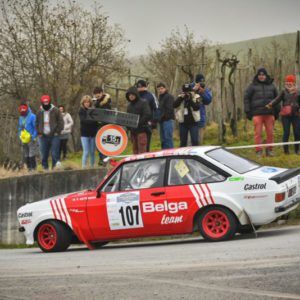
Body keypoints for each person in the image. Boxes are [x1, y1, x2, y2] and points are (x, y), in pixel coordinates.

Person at [244, 67, 279, 157]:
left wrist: (277, 112)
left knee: (270, 133)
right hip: (257, 113)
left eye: (263, 75)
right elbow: (246, 98)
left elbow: (277, 99)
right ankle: (258, 151)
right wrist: (248, 111)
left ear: (266, 75)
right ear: (257, 75)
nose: (261, 76)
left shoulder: (272, 86)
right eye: (260, 75)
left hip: (269, 113)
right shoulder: (252, 86)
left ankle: (269, 150)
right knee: (258, 133)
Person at [266, 75, 300, 154]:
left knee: (297, 133)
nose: (289, 83)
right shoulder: (283, 91)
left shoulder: (298, 91)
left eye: (290, 82)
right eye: (287, 81)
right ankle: (286, 151)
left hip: (296, 115)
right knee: (286, 132)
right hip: (285, 116)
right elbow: (277, 99)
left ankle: (297, 150)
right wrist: (270, 104)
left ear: (293, 82)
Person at [36, 95, 64, 170]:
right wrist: (39, 132)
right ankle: (45, 170)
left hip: (54, 135)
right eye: (44, 102)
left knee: (55, 153)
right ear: (42, 102)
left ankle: (54, 170)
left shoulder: (56, 110)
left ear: (49, 102)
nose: (46, 104)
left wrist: (57, 131)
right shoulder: (39, 112)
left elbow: (61, 122)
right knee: (44, 154)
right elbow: (36, 123)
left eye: (47, 102)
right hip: (43, 136)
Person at [126, 86, 151, 154]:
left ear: (136, 94)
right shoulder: (129, 106)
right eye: (129, 95)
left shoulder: (143, 103)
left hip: (142, 131)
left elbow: (147, 115)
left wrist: (138, 123)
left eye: (132, 94)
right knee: (135, 152)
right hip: (133, 133)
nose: (131, 96)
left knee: (142, 153)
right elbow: (127, 118)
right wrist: (128, 127)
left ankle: (144, 165)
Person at [136, 79, 159, 151]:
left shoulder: (151, 95)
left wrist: (154, 122)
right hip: (136, 123)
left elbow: (156, 108)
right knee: (136, 144)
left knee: (145, 144)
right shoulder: (135, 95)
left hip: (147, 123)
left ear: (145, 87)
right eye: (139, 87)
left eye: (142, 86)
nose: (140, 88)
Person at [92, 87, 112, 166]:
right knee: (98, 143)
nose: (97, 98)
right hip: (99, 125)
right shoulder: (97, 102)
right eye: (96, 96)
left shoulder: (107, 102)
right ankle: (101, 159)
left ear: (102, 93)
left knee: (105, 143)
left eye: (98, 96)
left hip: (105, 125)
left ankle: (105, 159)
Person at [79, 95, 98, 168]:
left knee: (92, 152)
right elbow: (84, 121)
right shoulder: (81, 110)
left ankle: (92, 166)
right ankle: (83, 167)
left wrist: (93, 121)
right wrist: (92, 120)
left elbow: (96, 121)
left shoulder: (93, 110)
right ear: (83, 103)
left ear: (90, 103)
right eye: (85, 102)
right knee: (86, 152)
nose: (87, 103)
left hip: (93, 134)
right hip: (84, 135)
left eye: (88, 102)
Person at [192, 74, 212, 144]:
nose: (200, 84)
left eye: (202, 82)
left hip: (200, 118)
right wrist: (193, 90)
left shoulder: (205, 89)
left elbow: (208, 101)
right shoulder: (191, 86)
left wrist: (203, 93)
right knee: (190, 143)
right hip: (190, 119)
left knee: (199, 142)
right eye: (199, 82)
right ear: (196, 82)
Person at [18, 102, 37, 171]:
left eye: (24, 110)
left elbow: (35, 127)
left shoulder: (32, 116)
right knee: (26, 153)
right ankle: (29, 167)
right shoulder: (20, 117)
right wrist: (19, 136)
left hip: (31, 138)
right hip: (23, 138)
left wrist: (34, 136)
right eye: (21, 111)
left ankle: (33, 167)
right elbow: (20, 127)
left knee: (31, 153)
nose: (22, 112)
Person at [156, 82, 175, 149]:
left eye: (161, 88)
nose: (160, 90)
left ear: (165, 88)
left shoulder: (169, 97)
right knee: (163, 140)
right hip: (162, 121)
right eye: (158, 89)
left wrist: (161, 117)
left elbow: (169, 110)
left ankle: (171, 155)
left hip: (168, 120)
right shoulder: (160, 98)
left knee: (168, 139)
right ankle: (164, 155)